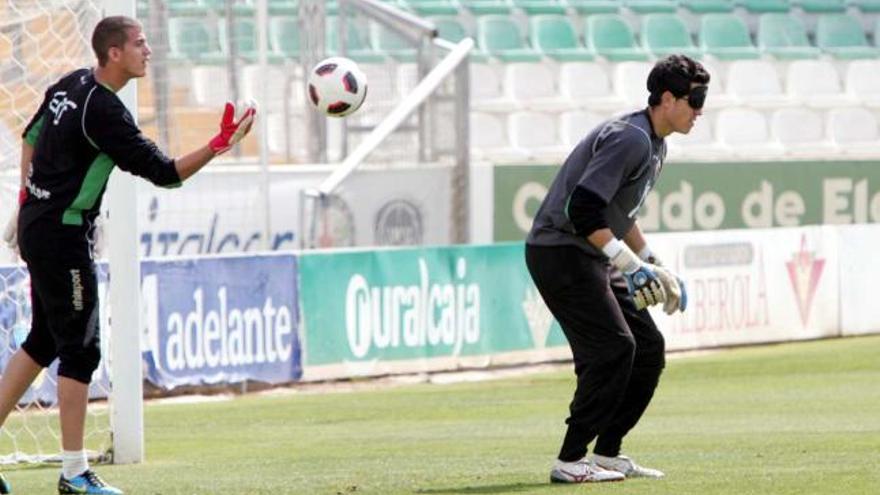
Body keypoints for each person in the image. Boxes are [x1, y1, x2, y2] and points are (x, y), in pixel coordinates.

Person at [0, 15, 255, 495]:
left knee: (42, 341)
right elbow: (166, 173)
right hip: (62, 235)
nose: (148, 51)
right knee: (80, 349)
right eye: (139, 44)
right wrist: (219, 145)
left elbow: (30, 138)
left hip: (39, 225)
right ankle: (74, 473)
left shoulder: (70, 83)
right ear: (114, 53)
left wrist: (25, 201)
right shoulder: (106, 112)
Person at [524, 54, 709, 484]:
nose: (700, 111)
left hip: (587, 252)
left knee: (647, 348)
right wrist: (629, 264)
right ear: (667, 98)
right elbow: (583, 209)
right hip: (560, 251)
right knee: (612, 349)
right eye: (695, 100)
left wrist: (652, 263)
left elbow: (617, 212)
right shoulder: (632, 139)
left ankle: (607, 454)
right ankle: (571, 460)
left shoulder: (654, 142)